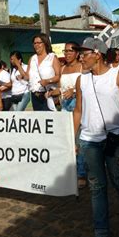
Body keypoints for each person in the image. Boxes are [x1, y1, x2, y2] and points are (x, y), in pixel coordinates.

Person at [73, 37, 119, 237]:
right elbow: (78, 110)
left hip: (115, 139)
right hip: (89, 140)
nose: (81, 58)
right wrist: (72, 138)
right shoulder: (81, 79)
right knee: (96, 186)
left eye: (84, 54)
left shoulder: (117, 76)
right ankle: (101, 231)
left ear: (97, 54)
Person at [47, 42, 86, 188]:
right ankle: (68, 172)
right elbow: (61, 89)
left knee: (78, 141)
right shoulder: (62, 68)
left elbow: (87, 86)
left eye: (70, 51)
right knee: (66, 141)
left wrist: (75, 92)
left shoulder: (83, 68)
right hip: (64, 108)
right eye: (66, 51)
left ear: (77, 53)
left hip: (79, 106)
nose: (67, 54)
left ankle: (81, 173)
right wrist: (52, 92)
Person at [18, 33, 61, 111]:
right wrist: (22, 75)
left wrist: (48, 81)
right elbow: (27, 76)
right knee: (40, 120)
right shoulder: (32, 58)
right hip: (35, 96)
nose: (36, 45)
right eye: (34, 43)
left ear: (45, 43)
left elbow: (58, 76)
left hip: (48, 95)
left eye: (39, 43)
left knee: (49, 118)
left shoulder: (52, 57)